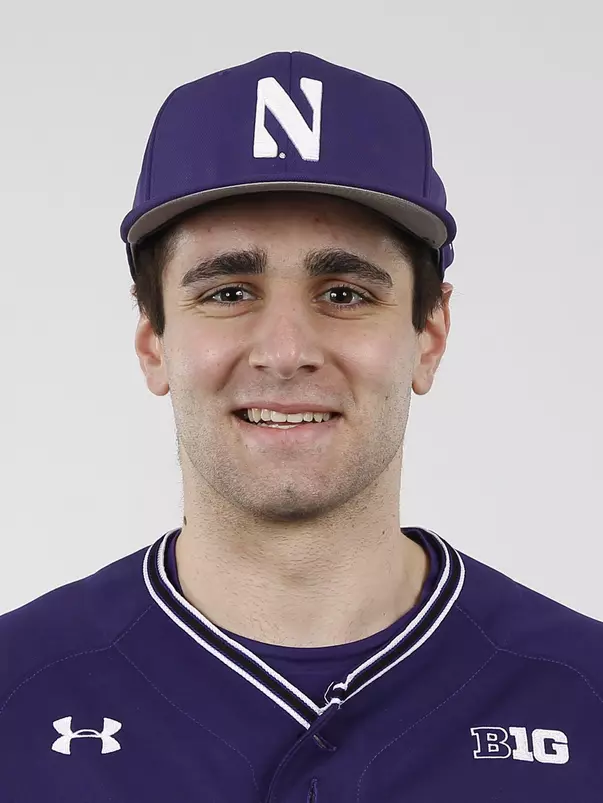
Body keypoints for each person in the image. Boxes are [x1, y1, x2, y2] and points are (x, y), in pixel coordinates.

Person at [1, 50, 602, 802]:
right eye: (227, 292)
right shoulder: (14, 695)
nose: (286, 352)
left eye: (344, 292)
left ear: (430, 334)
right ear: (153, 342)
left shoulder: (584, 696)